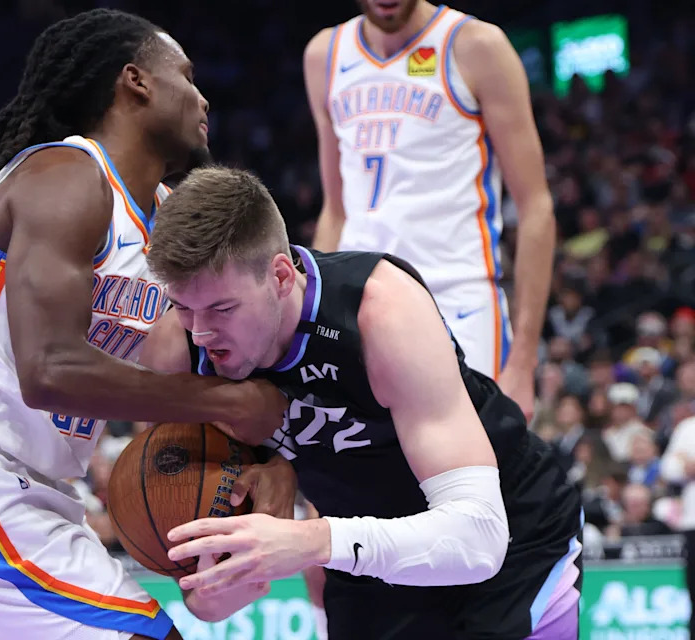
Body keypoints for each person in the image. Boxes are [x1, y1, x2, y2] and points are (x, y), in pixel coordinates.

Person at [0, 10, 287, 640]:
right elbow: (50, 371)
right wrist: (230, 401)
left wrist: (258, 464)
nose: (203, 97)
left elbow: (181, 366)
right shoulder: (66, 177)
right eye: (186, 76)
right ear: (136, 81)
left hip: (43, 493)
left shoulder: (165, 219)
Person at [139, 167, 582, 639]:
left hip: (510, 535)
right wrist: (218, 582)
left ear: (282, 277)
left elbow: (479, 539)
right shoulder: (176, 352)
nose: (202, 332)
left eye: (222, 309)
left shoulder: (379, 311)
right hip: (365, 558)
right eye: (185, 307)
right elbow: (203, 598)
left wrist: (311, 541)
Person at [303, 0, 555, 418]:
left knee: (471, 477)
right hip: (358, 305)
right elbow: (336, 210)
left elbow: (536, 207)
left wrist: (524, 363)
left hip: (458, 299)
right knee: (371, 480)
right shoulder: (324, 55)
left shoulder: (477, 45)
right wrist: (313, 323)